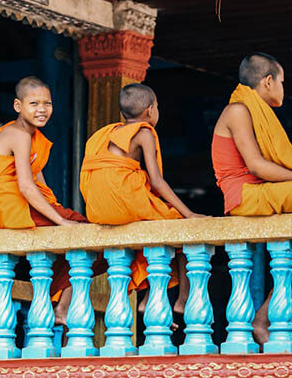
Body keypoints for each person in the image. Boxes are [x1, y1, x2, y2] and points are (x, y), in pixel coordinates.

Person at [211, 52, 292, 344]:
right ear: (268, 81)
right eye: (282, 82)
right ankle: (267, 316)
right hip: (245, 196)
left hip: (258, 192)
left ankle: (266, 315)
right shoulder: (238, 110)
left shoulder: (253, 109)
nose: (283, 88)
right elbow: (257, 166)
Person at [80, 83, 206, 321]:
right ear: (150, 110)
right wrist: (188, 213)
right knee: (179, 225)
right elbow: (157, 181)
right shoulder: (145, 132)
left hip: (97, 208)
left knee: (151, 234)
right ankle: (183, 298)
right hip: (123, 201)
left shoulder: (104, 133)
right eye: (157, 106)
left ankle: (148, 299)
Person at [0, 76, 92, 326]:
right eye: (34, 104)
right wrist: (61, 221)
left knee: (84, 232)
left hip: (18, 202)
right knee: (87, 235)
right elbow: (26, 187)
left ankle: (57, 305)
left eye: (47, 103)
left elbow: (39, 185)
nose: (42, 109)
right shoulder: (18, 134)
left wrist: (59, 212)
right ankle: (58, 306)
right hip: (9, 205)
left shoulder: (32, 137)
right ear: (18, 106)